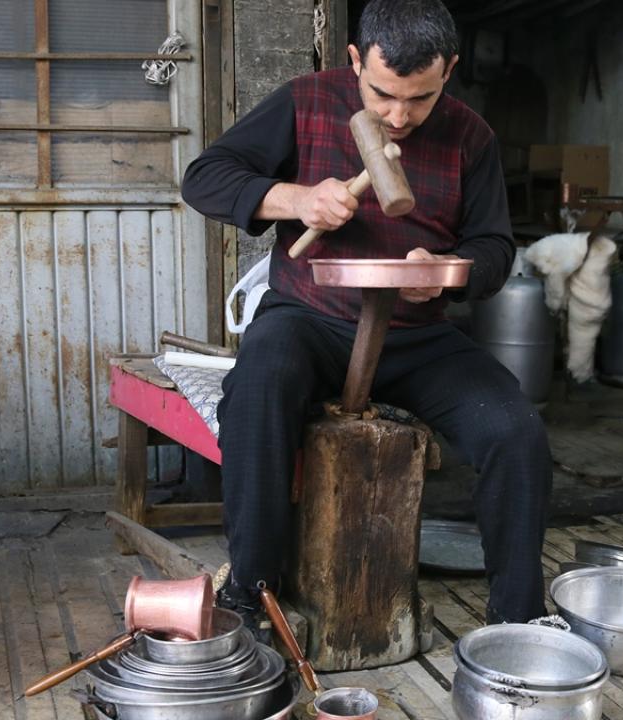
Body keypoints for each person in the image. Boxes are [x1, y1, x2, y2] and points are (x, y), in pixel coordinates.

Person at [181, 0, 551, 630]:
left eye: (421, 99)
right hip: (308, 317)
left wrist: (446, 270)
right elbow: (204, 178)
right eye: (383, 95)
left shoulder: (472, 136)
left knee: (515, 431)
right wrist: (296, 198)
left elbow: (494, 247)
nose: (399, 118)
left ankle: (520, 621)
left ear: (449, 70)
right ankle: (251, 594)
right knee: (257, 390)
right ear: (355, 60)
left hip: (417, 334)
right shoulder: (305, 101)